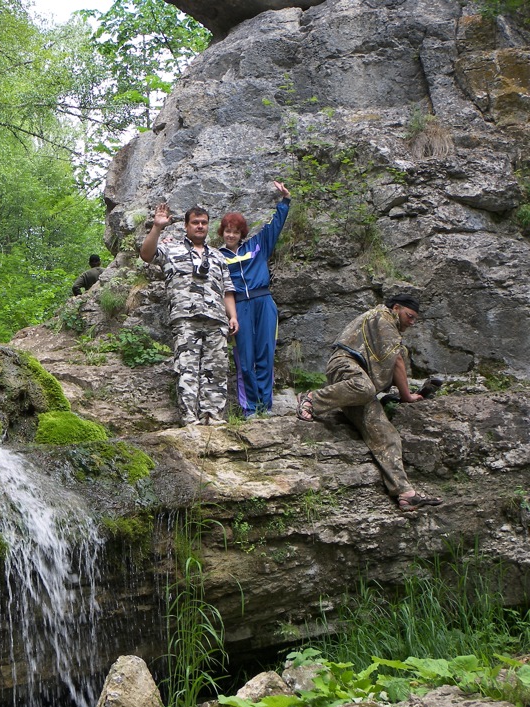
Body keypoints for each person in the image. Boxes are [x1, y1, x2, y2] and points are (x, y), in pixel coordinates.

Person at [295, 294, 443, 512]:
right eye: (409, 316)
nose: (411, 322)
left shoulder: (389, 328)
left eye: (415, 320)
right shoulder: (383, 318)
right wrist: (407, 396)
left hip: (360, 387)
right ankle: (311, 400)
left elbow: (391, 364)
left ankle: (405, 493)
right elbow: (397, 362)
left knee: (386, 434)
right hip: (345, 365)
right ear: (396, 308)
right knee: (365, 388)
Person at [140, 203, 239, 425]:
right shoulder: (171, 249)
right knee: (187, 368)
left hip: (216, 319)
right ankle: (189, 417)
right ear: (186, 226)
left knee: (216, 368)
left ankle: (212, 415)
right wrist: (157, 227)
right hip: (185, 318)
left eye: (204, 223)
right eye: (195, 222)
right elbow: (146, 255)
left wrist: (232, 316)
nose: (200, 226)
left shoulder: (218, 256)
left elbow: (227, 289)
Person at [219, 181, 292, 417]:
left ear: (242, 233)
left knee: (265, 354)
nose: (231, 235)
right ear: (222, 233)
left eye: (236, 231)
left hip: (264, 302)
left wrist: (285, 202)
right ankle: (249, 407)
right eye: (227, 231)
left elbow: (274, 227)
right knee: (245, 357)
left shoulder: (256, 246)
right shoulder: (217, 256)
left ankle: (265, 406)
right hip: (239, 306)